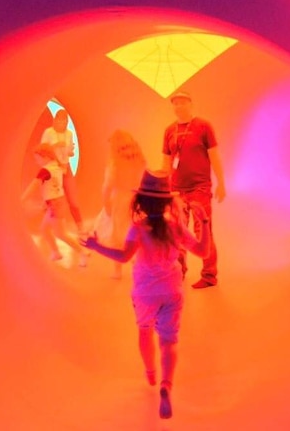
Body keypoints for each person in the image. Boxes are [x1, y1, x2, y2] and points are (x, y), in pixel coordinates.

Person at [81, 170, 210, 420]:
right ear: (167, 202)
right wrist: (203, 222)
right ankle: (166, 385)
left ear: (140, 201)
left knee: (144, 331)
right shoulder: (175, 227)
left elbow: (124, 256)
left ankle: (151, 372)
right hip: (172, 290)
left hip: (144, 292)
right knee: (168, 341)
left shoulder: (138, 228)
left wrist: (96, 247)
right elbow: (204, 252)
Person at [161, 91, 226, 289]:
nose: (178, 106)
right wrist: (163, 188)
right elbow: (166, 161)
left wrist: (221, 182)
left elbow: (214, 156)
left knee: (203, 231)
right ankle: (178, 272)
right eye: (175, 103)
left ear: (191, 104)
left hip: (200, 188)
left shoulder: (204, 126)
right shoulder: (169, 130)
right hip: (177, 190)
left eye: (182, 102)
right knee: (177, 233)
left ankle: (209, 275)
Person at [21, 143, 89, 266]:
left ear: (46, 156)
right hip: (56, 203)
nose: (37, 162)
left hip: (55, 205)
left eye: (38, 158)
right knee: (45, 230)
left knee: (60, 233)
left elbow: (34, 185)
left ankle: (82, 252)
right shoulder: (56, 167)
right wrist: (45, 203)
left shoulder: (45, 170)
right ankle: (56, 252)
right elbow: (51, 187)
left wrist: (22, 198)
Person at [100, 129, 147, 280]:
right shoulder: (139, 160)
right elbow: (145, 177)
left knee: (118, 233)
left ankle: (117, 270)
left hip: (120, 200)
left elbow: (107, 187)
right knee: (136, 232)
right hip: (138, 199)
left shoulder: (115, 163)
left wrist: (106, 202)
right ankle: (138, 263)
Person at [41, 109, 85, 233]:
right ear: (55, 120)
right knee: (54, 201)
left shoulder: (69, 133)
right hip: (53, 170)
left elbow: (69, 151)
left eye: (64, 121)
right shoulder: (48, 132)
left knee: (73, 199)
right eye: (60, 120)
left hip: (66, 168)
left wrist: (70, 152)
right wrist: (55, 146)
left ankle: (80, 226)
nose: (62, 123)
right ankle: (52, 230)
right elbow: (42, 150)